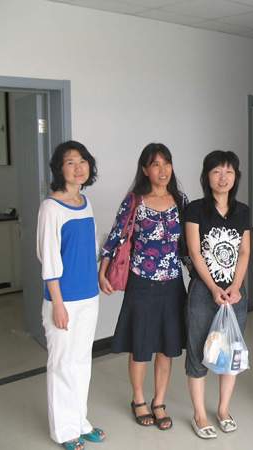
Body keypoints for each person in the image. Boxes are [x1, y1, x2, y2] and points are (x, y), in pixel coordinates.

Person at [98, 143, 188, 430]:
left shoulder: (181, 201)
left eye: (166, 163)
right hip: (141, 282)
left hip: (172, 283)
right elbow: (115, 237)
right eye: (155, 164)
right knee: (140, 344)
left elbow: (187, 245)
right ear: (145, 170)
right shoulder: (135, 201)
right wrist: (103, 272)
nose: (162, 169)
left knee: (167, 347)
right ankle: (138, 399)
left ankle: (159, 401)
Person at [37, 141, 106, 450]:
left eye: (82, 161)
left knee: (80, 361)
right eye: (70, 162)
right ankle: (64, 430)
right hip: (63, 299)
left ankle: (80, 422)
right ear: (59, 169)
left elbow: (88, 248)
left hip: (89, 296)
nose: (78, 167)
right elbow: (49, 259)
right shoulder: (51, 207)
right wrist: (58, 304)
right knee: (62, 364)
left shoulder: (84, 202)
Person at [184, 150, 251, 439]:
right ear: (207, 176)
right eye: (216, 171)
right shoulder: (195, 209)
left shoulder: (243, 211)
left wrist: (236, 286)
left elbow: (245, 251)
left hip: (235, 292)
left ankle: (223, 409)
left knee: (231, 351)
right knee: (198, 351)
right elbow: (194, 251)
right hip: (203, 290)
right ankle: (199, 414)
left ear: (236, 176)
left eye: (229, 171)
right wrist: (213, 287)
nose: (223, 177)